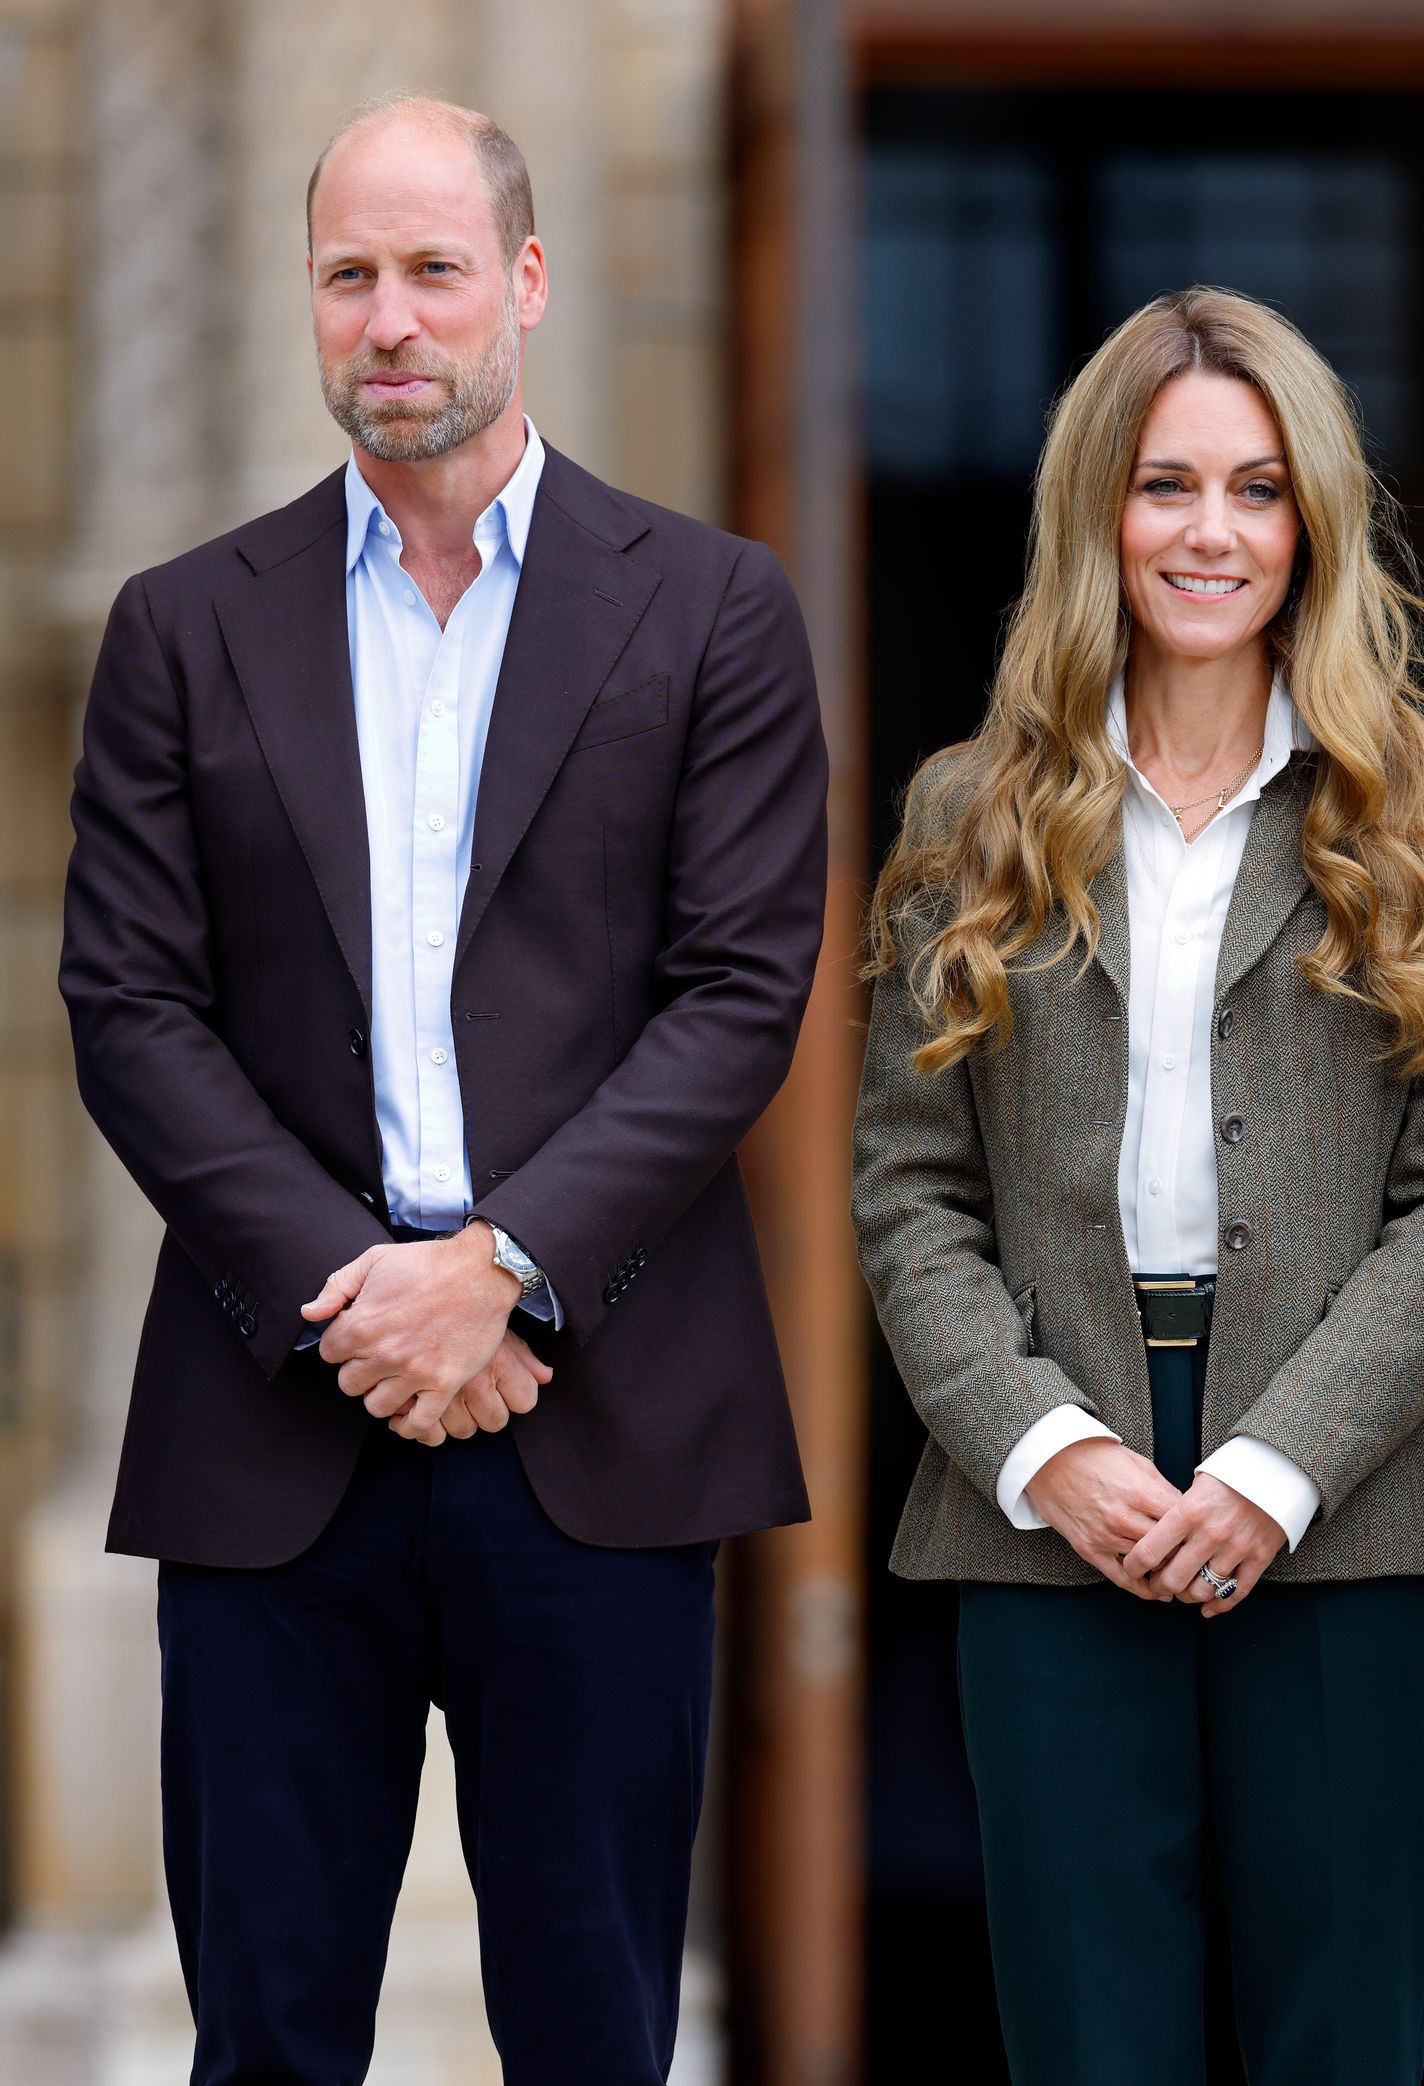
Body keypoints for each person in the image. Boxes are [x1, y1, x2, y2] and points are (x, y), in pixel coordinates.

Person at [58, 91, 826, 2086]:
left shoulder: (711, 609)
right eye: (346, 275)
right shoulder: (180, 627)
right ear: (311, 305)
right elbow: (130, 1003)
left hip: (597, 1414)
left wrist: (496, 1263)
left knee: (591, 2028)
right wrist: (359, 1281)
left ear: (527, 283)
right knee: (267, 2033)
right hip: (272, 1413)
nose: (388, 318)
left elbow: (738, 992)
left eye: (430, 270)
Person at [851, 285, 1424, 2085]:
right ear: (1101, 514)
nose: (1210, 532)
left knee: (1343, 2039)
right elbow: (907, 1189)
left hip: (1346, 1491)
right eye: (1166, 487)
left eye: (1254, 487)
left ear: (1311, 517)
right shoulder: (968, 813)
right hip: (1042, 1488)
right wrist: (1047, 1445)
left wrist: (1275, 1463)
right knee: (1088, 2041)